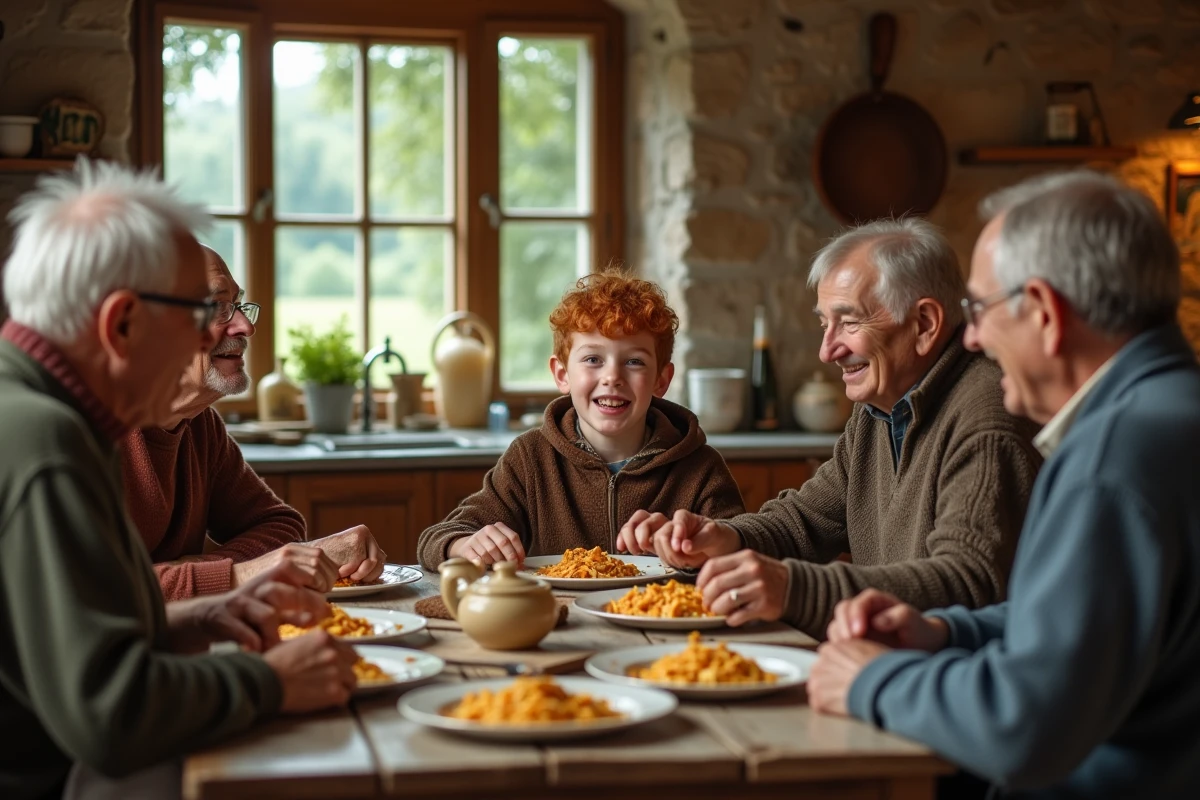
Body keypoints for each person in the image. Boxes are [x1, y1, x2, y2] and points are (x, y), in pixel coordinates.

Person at [808, 171, 1200, 798]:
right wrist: (947, 632)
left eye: (982, 309)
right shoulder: (1168, 413)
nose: (973, 337)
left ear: (1044, 313)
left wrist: (869, 683)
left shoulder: (1112, 460)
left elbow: (1024, 724)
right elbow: (1083, 623)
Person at [0, 160, 357, 800]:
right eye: (197, 313)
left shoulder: (49, 412)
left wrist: (209, 614)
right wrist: (273, 682)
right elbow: (112, 715)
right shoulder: (43, 442)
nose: (224, 332)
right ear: (123, 325)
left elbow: (69, 644)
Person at [619, 218, 1042, 637]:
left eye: (850, 322)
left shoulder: (987, 417)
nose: (827, 351)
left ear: (925, 324)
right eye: (825, 323)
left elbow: (968, 584)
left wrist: (793, 589)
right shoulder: (881, 407)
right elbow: (804, 522)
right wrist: (723, 538)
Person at [417, 269, 744, 569]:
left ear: (661, 379)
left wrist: (692, 545)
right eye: (592, 359)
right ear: (562, 375)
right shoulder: (530, 459)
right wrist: (465, 545)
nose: (612, 377)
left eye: (634, 362)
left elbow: (742, 552)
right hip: (555, 626)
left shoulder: (701, 469)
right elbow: (437, 539)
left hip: (663, 628)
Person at [122, 244, 387, 601]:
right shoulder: (84, 432)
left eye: (239, 304)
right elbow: (95, 592)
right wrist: (239, 573)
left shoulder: (201, 426)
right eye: (218, 307)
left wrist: (205, 571)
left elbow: (281, 526)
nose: (246, 326)